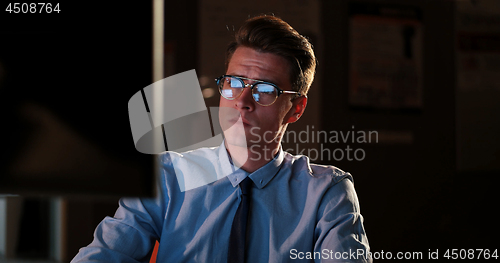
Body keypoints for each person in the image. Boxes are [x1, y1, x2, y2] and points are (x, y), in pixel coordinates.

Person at [72, 15, 371, 263]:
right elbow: (103, 255)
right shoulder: (167, 177)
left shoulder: (326, 193)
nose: (242, 101)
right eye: (235, 83)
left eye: (265, 90)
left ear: (295, 108)